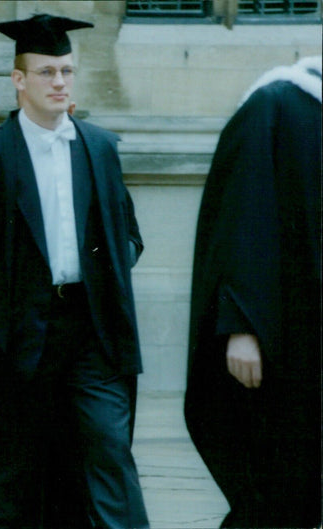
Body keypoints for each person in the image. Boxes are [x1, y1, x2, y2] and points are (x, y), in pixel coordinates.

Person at [0, 14, 149, 529]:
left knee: (109, 450)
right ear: (19, 79)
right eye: (46, 72)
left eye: (66, 71)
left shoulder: (100, 147)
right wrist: (1, 320)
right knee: (18, 469)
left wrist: (107, 277)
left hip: (92, 330)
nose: (59, 82)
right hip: (23, 336)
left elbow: (130, 233)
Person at [184, 56, 321, 528]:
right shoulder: (277, 102)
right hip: (290, 337)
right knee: (277, 489)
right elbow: (241, 220)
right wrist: (240, 325)